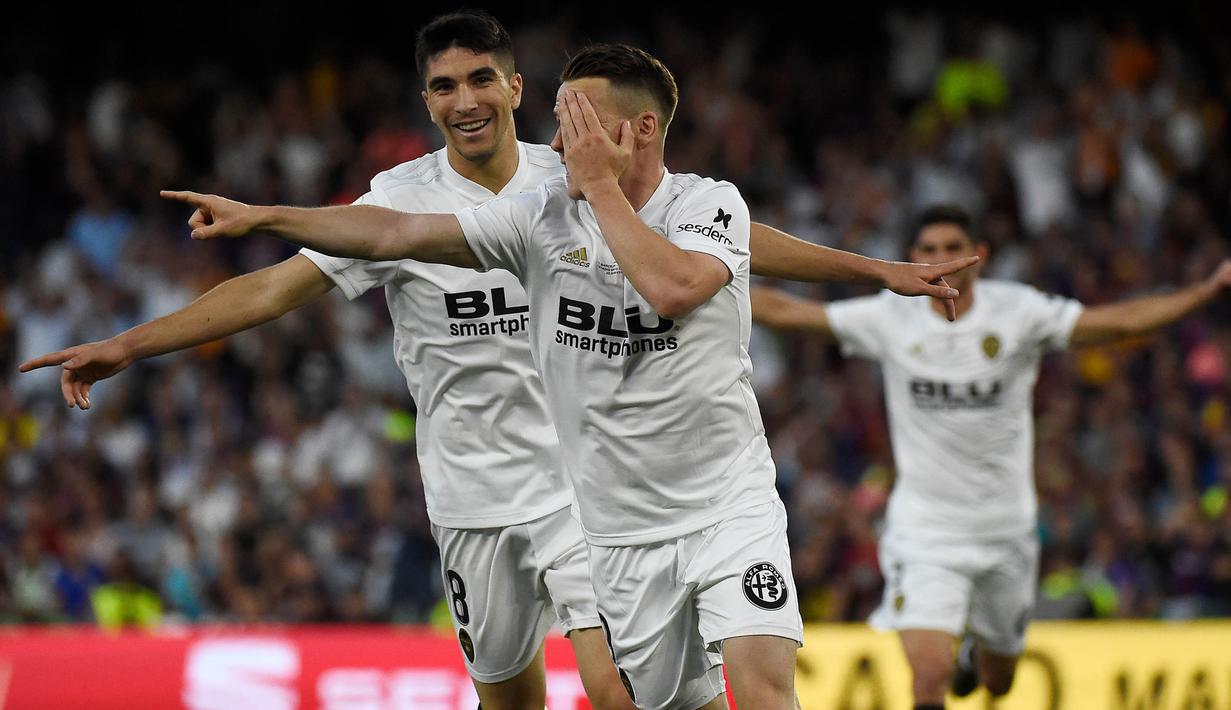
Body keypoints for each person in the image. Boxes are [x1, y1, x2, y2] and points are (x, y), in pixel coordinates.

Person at [25, 29, 973, 710]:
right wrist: (140, 334)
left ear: (519, 89)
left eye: (482, 78)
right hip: (472, 495)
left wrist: (870, 270)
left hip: (587, 496)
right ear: (427, 103)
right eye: (443, 86)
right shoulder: (444, 203)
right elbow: (293, 281)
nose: (465, 99)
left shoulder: (569, 179)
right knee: (514, 700)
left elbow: (718, 240)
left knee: (626, 690)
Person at [749, 204, 1231, 709]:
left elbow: (1116, 322)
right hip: (925, 529)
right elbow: (790, 311)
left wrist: (1200, 294)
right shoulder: (890, 316)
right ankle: (950, 661)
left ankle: (976, 657)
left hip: (1005, 529)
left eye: (953, 248)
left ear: (979, 255)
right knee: (928, 676)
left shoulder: (1018, 313)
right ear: (912, 258)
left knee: (999, 680)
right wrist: (711, 274)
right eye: (929, 250)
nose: (942, 259)